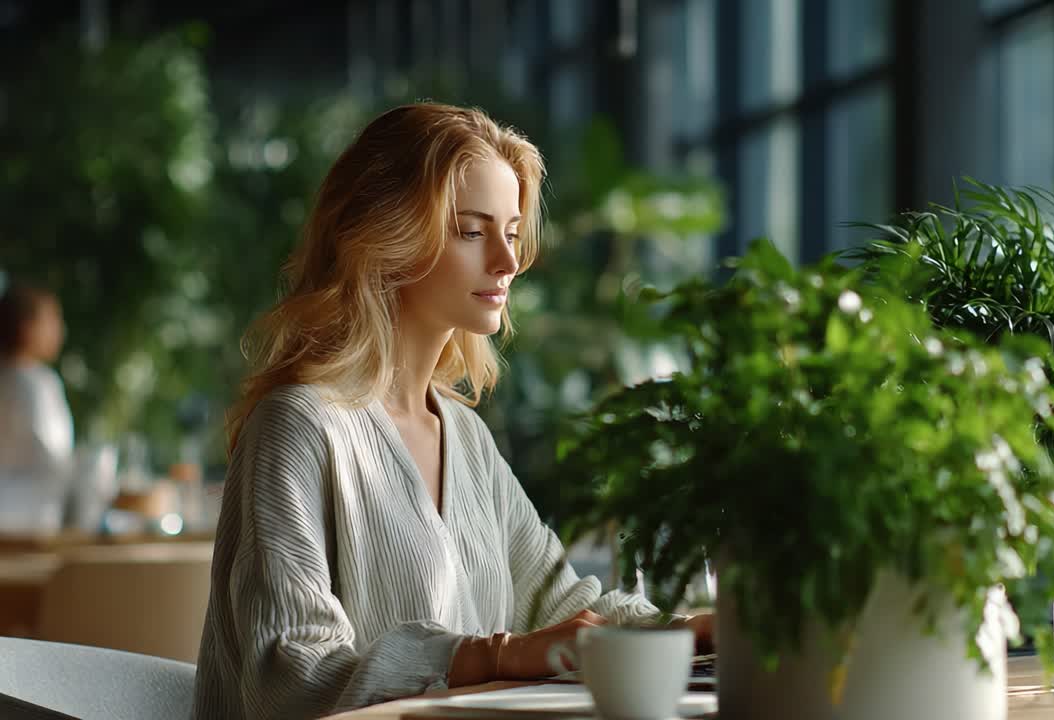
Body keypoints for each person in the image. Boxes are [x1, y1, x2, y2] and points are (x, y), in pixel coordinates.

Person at [192, 103, 714, 719]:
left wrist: (701, 629)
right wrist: (496, 656)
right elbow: (289, 679)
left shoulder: (464, 434)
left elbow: (565, 606)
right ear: (386, 235)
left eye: (513, 233)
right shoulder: (298, 428)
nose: (508, 261)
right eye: (472, 231)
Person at [0, 280, 74, 532]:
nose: (60, 329)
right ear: (26, 327)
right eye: (52, 320)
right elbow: (54, 457)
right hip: (30, 522)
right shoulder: (37, 384)